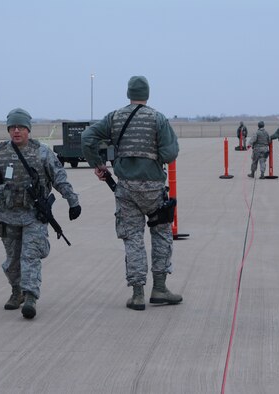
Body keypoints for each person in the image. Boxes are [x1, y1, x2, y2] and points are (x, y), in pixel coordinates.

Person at [0, 108, 82, 319]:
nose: (16, 131)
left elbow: (60, 178)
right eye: (12, 127)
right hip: (8, 217)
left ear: (28, 130)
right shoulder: (0, 153)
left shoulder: (42, 153)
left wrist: (73, 201)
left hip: (33, 217)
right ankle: (16, 291)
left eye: (20, 127)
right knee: (12, 261)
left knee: (30, 256)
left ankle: (30, 297)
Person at [81, 76, 181, 311]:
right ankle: (159, 288)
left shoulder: (115, 117)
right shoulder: (157, 118)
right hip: (153, 187)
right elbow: (169, 154)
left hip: (125, 187)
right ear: (147, 94)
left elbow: (87, 137)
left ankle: (137, 294)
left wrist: (98, 164)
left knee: (133, 238)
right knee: (161, 235)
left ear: (128, 93)